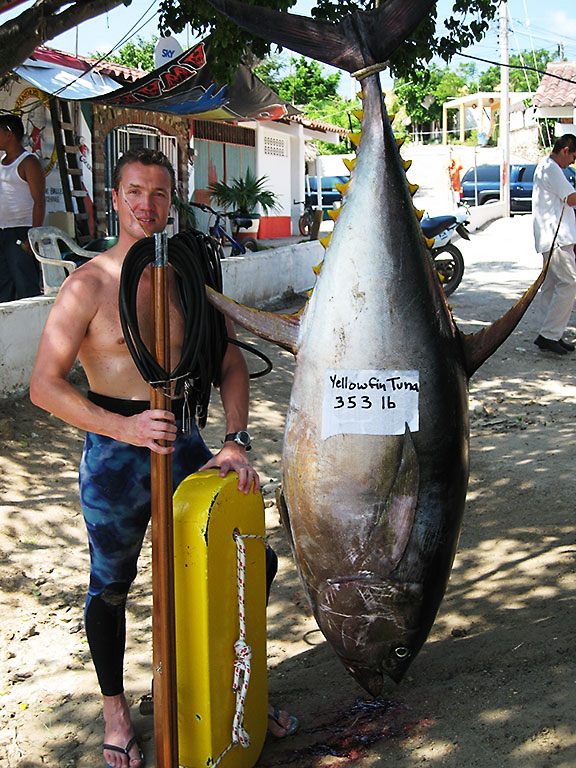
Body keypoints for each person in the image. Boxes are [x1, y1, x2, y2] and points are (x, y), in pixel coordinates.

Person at [30, 149, 295, 768]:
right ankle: (116, 710)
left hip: (184, 445)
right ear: (114, 199)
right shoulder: (86, 285)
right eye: (134, 191)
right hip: (115, 455)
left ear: (170, 203)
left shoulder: (184, 278)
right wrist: (121, 426)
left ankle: (231, 691)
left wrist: (236, 438)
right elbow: (46, 386)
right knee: (112, 588)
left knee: (247, 565)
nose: (146, 204)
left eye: (158, 193)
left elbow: (228, 360)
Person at [532, 133, 576, 355]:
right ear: (565, 150)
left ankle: (550, 333)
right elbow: (571, 198)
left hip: (553, 237)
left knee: (552, 286)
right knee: (569, 283)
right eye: (573, 157)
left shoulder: (545, 167)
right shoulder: (551, 168)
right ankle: (549, 335)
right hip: (557, 238)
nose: (573, 163)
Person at [0, 113, 45, 301]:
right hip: (2, 231)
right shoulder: (1, 162)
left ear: (9, 134)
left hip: (21, 232)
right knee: (3, 287)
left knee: (25, 286)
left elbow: (39, 201)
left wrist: (32, 236)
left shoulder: (28, 161)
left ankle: (32, 329)